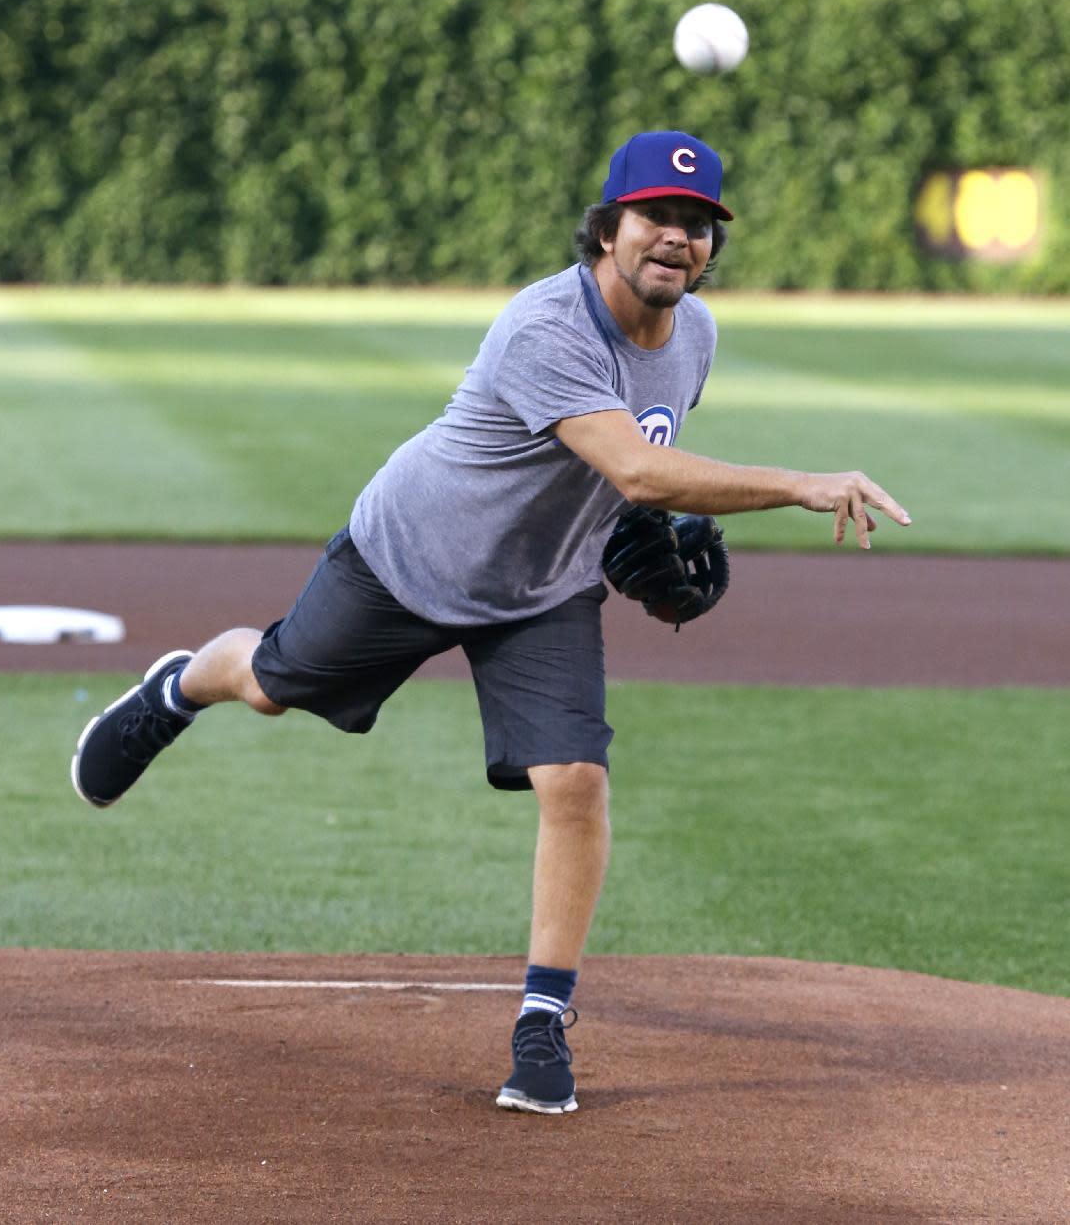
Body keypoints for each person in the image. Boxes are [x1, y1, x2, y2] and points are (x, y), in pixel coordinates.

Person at [70, 129, 910, 1115]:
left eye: (694, 224)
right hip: (404, 560)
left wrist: (648, 532)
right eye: (653, 218)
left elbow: (631, 476)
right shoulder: (543, 327)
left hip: (543, 592)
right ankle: (181, 682)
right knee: (269, 686)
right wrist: (799, 485)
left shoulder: (696, 336)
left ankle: (541, 1021)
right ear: (606, 229)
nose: (674, 239)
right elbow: (634, 463)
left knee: (574, 779)